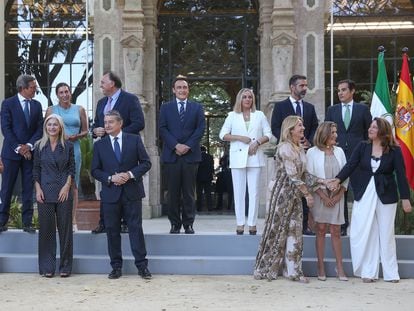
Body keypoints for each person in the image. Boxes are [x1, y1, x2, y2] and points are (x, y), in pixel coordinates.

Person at [329, 117, 412, 283]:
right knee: (366, 232)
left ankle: (391, 273)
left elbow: (401, 175)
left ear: (382, 131)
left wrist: (405, 198)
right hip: (365, 193)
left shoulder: (394, 150)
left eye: (374, 127)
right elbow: (351, 165)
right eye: (370, 127)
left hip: (386, 195)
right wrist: (337, 180)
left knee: (386, 233)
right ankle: (368, 272)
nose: (370, 129)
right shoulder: (362, 147)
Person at [254, 116, 325, 283]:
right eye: (299, 125)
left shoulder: (299, 148)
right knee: (275, 230)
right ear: (290, 129)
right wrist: (308, 195)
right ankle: (263, 268)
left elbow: (304, 174)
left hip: (294, 194)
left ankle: (293, 271)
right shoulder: (285, 148)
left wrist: (323, 182)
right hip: (281, 193)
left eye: (302, 124)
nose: (303, 127)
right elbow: (292, 175)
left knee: (295, 231)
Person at [91, 110, 152, 279]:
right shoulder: (99, 145)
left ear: (120, 123)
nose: (107, 125)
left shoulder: (134, 140)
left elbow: (146, 163)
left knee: (135, 229)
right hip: (111, 194)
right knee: (112, 231)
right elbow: (95, 170)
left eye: (111, 122)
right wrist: (111, 178)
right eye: (106, 122)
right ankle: (116, 267)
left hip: (132, 193)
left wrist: (130, 175)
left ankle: (142, 266)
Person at [91, 71, 145, 234]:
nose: (100, 85)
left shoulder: (130, 99)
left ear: (112, 83)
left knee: (126, 186)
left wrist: (119, 134)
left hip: (126, 150)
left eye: (103, 82)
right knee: (106, 187)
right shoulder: (101, 103)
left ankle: (126, 223)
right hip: (106, 151)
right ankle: (104, 222)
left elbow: (139, 123)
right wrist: (96, 131)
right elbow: (96, 125)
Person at [219, 88, 272, 235]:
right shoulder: (232, 116)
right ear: (240, 99)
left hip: (255, 157)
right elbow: (222, 134)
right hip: (238, 158)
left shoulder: (259, 115)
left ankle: (253, 223)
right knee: (239, 192)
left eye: (250, 97)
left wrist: (258, 142)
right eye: (244, 97)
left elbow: (269, 133)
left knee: (254, 192)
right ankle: (240, 223)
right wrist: (239, 137)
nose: (247, 99)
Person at [271, 74, 319, 235]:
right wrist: (291, 141)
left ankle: (304, 225)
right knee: (294, 186)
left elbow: (314, 127)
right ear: (292, 87)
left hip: (305, 152)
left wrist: (308, 141)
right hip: (289, 151)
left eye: (306, 85)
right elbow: (275, 127)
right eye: (302, 86)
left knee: (304, 183)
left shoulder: (310, 108)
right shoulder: (280, 107)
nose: (305, 88)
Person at [159, 75, 205, 234]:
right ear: (174, 90)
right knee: (172, 193)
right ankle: (174, 224)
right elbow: (163, 129)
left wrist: (188, 146)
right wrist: (176, 145)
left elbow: (200, 129)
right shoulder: (165, 108)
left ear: (188, 90)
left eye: (184, 87)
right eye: (179, 87)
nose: (182, 90)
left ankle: (189, 223)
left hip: (190, 156)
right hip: (172, 155)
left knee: (189, 192)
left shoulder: (197, 108)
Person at [325, 79, 372, 236]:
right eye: (338, 90)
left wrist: (365, 151)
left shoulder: (362, 109)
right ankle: (343, 224)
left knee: (359, 189)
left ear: (352, 91)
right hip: (337, 155)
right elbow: (326, 131)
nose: (340, 93)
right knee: (340, 190)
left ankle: (363, 225)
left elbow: (368, 132)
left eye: (344, 90)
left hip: (358, 156)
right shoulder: (332, 110)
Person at [0, 74, 43, 233]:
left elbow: (40, 128)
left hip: (30, 154)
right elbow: (6, 128)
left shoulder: (37, 106)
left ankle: (27, 223)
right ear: (22, 88)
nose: (35, 90)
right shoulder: (8, 104)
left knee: (28, 188)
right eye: (33, 87)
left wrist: (29, 146)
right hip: (11, 153)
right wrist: (19, 147)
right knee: (6, 188)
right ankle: (1, 221)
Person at [33, 114, 75, 277]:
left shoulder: (68, 146)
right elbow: (36, 170)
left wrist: (67, 187)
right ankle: (47, 268)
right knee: (46, 231)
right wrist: (38, 189)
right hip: (44, 192)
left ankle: (65, 267)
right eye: (49, 124)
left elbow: (72, 169)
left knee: (65, 231)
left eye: (55, 125)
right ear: (45, 127)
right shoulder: (38, 146)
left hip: (64, 192)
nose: (52, 127)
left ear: (60, 127)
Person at [306, 121, 348, 281]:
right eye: (333, 132)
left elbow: (346, 174)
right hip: (319, 196)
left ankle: (340, 268)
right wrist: (323, 197)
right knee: (321, 229)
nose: (336, 135)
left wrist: (338, 196)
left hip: (337, 196)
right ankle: (320, 266)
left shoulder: (340, 151)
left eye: (336, 132)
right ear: (324, 134)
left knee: (336, 231)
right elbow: (309, 176)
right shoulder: (312, 152)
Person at [45, 82, 89, 231]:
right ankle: (58, 220)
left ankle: (73, 220)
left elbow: (86, 131)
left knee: (73, 184)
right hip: (55, 150)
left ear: (70, 93)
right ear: (56, 95)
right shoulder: (52, 110)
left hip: (74, 149)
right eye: (61, 92)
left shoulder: (80, 109)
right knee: (55, 183)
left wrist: (75, 136)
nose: (64, 95)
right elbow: (46, 130)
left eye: (66, 91)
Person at [196, 146, 214, 211]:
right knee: (208, 193)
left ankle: (199, 207)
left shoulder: (197, 156)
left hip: (199, 177)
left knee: (199, 193)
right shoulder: (210, 157)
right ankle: (210, 207)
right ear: (205, 150)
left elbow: (196, 167)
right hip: (208, 177)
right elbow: (212, 167)